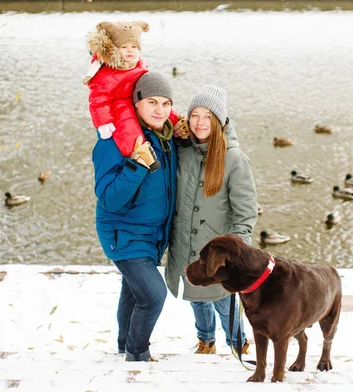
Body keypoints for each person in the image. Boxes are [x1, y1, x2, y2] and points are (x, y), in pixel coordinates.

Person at [92, 71, 177, 362]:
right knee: (153, 295)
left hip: (152, 235)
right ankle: (137, 354)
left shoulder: (165, 138)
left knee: (133, 291)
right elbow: (110, 199)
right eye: (152, 102)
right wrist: (137, 165)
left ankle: (123, 344)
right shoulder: (115, 140)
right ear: (136, 102)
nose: (160, 110)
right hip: (123, 233)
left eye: (166, 104)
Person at [166, 84, 258, 354]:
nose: (200, 122)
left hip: (218, 254)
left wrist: (236, 252)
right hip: (186, 246)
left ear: (219, 120)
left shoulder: (234, 159)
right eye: (195, 114)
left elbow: (245, 213)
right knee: (196, 296)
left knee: (223, 302)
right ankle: (206, 340)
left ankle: (237, 343)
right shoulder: (182, 151)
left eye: (208, 116)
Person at [84, 21, 179, 157]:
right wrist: (103, 122)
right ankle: (139, 155)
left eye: (134, 46)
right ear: (115, 49)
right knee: (128, 128)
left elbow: (149, 86)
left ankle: (178, 122)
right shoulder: (104, 73)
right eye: (124, 47)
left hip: (140, 97)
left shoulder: (140, 64)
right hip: (120, 103)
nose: (130, 50)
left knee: (161, 105)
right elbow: (98, 100)